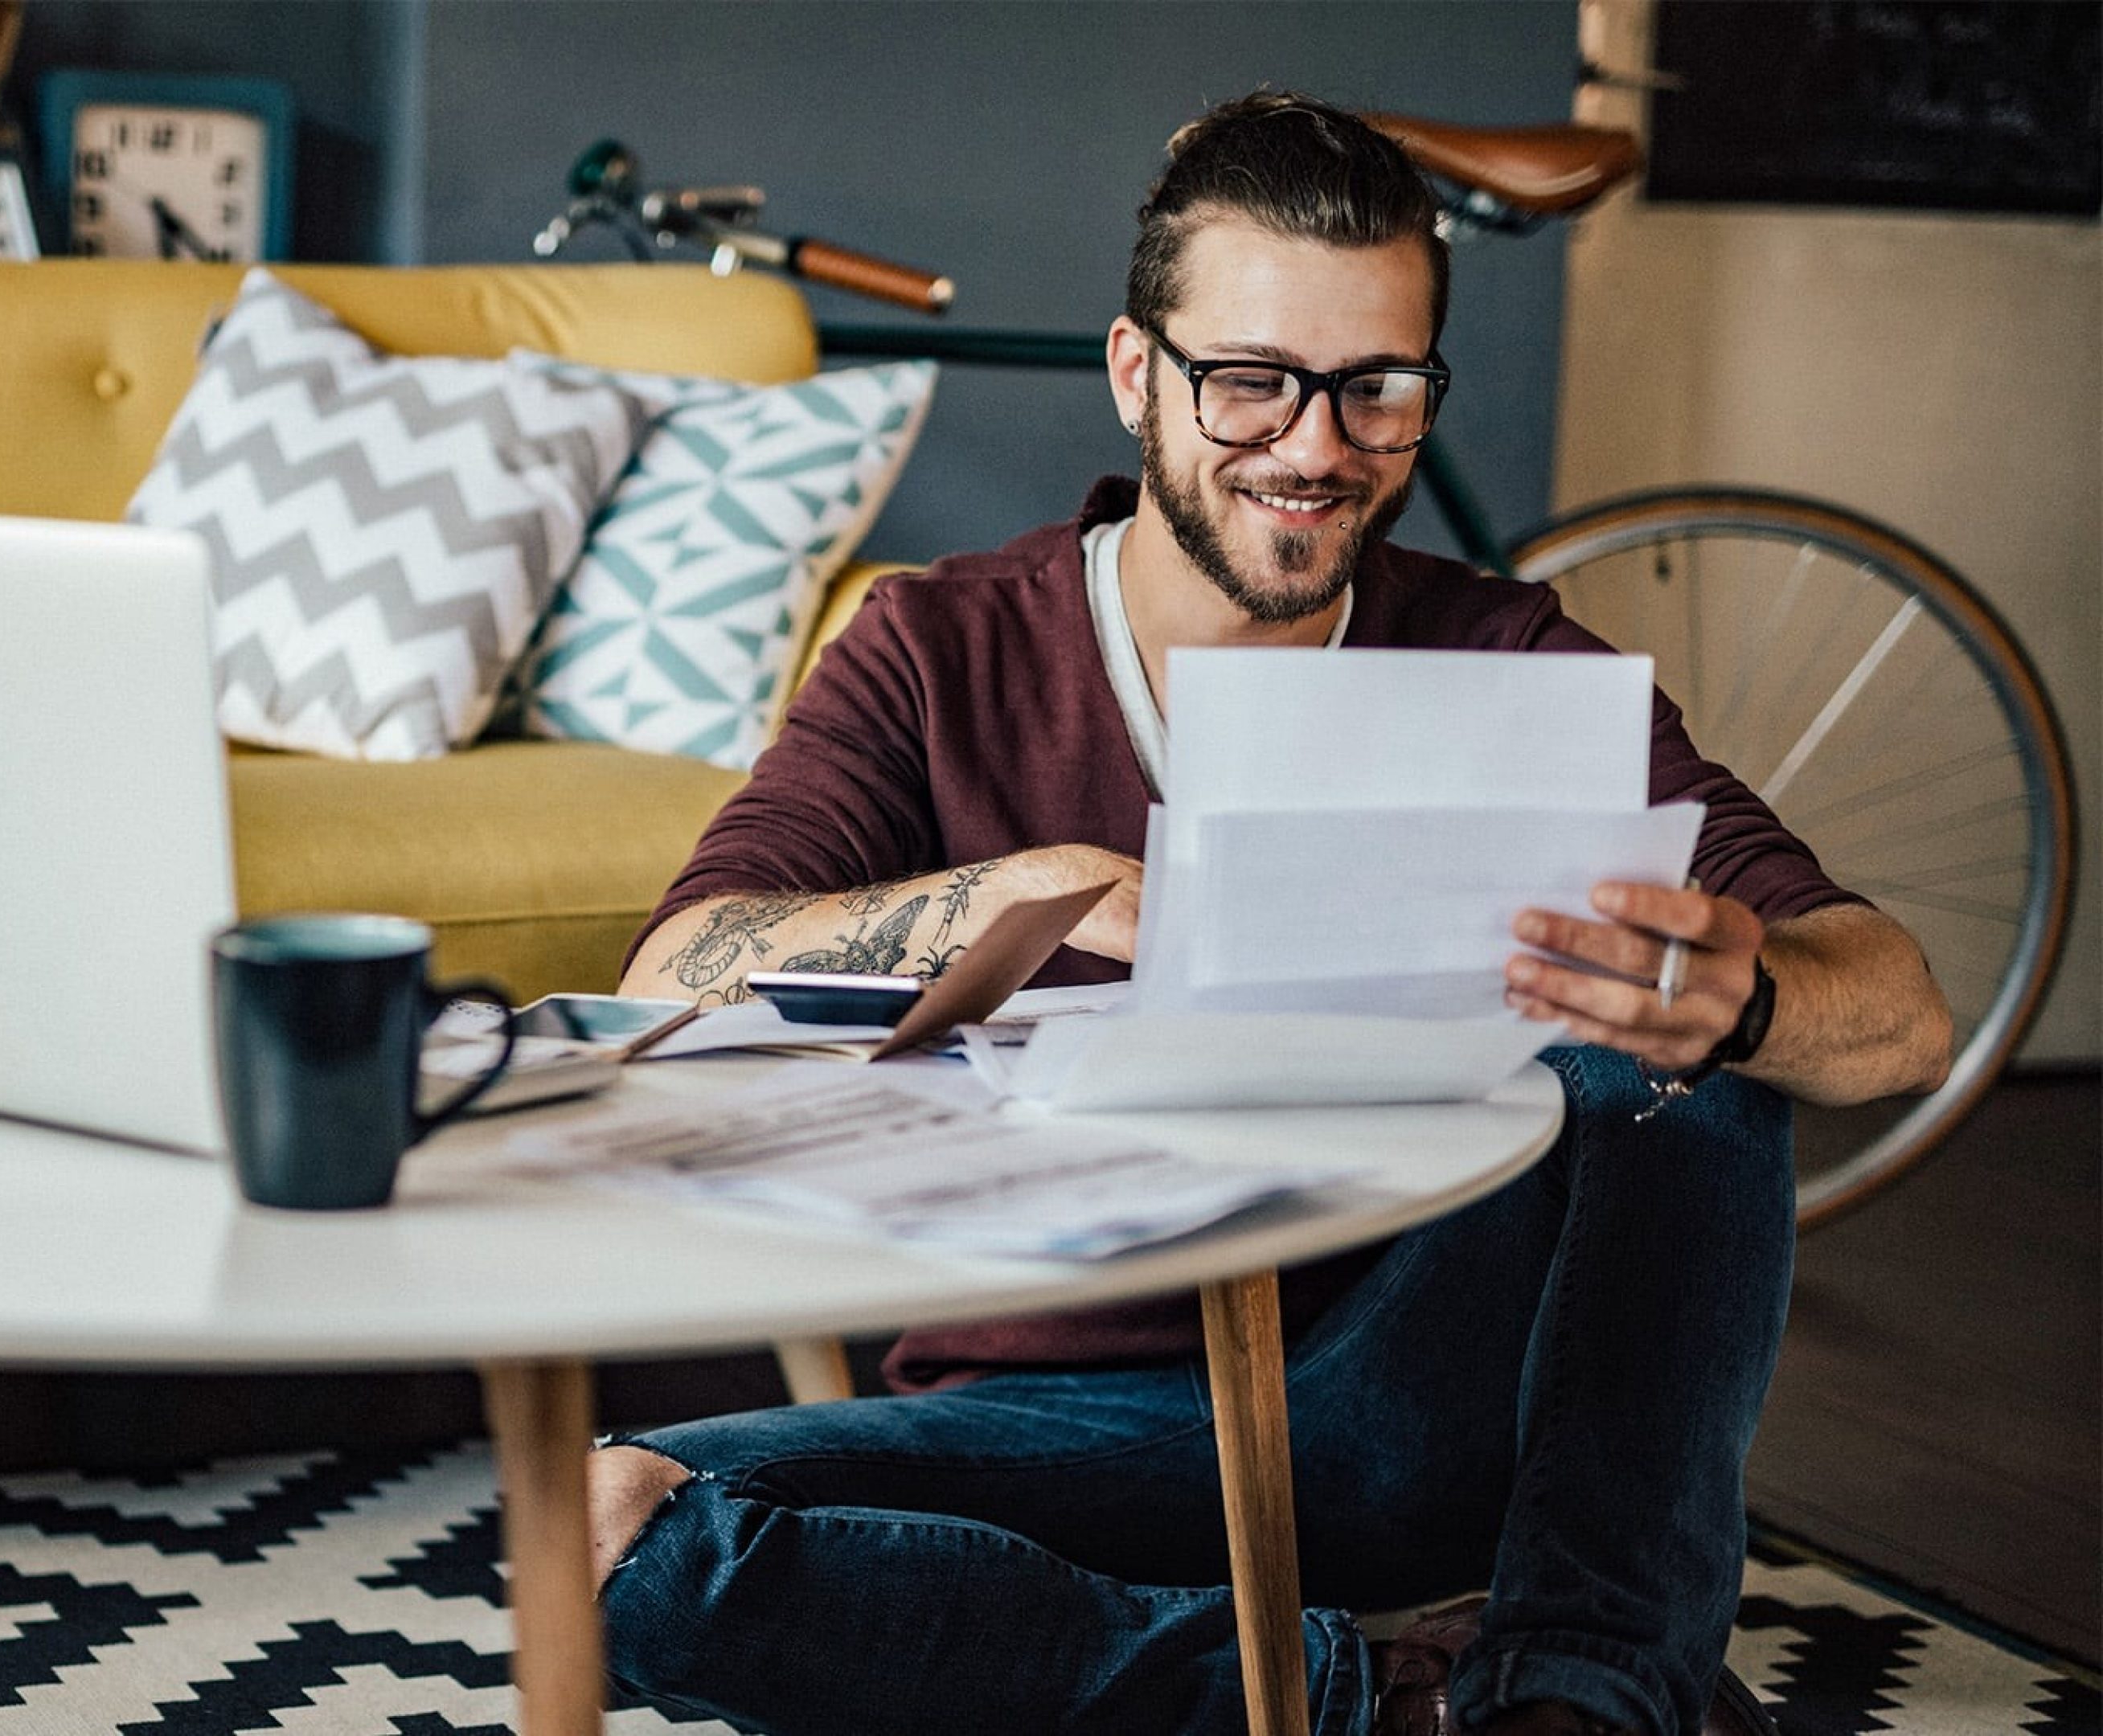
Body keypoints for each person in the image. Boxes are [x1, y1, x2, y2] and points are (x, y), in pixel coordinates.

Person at [592, 92, 1952, 1736]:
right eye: (1252, 381)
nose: (1316, 447)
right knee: (595, 1535)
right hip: (1059, 1423)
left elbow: (1896, 1011)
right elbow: (674, 967)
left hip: (1396, 1398)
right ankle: (1387, 1703)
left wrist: (1738, 998)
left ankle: (1585, 1695)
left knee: (1683, 1051)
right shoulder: (936, 646)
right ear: (1135, 374)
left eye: (1377, 389)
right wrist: (1017, 891)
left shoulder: (1504, 658)